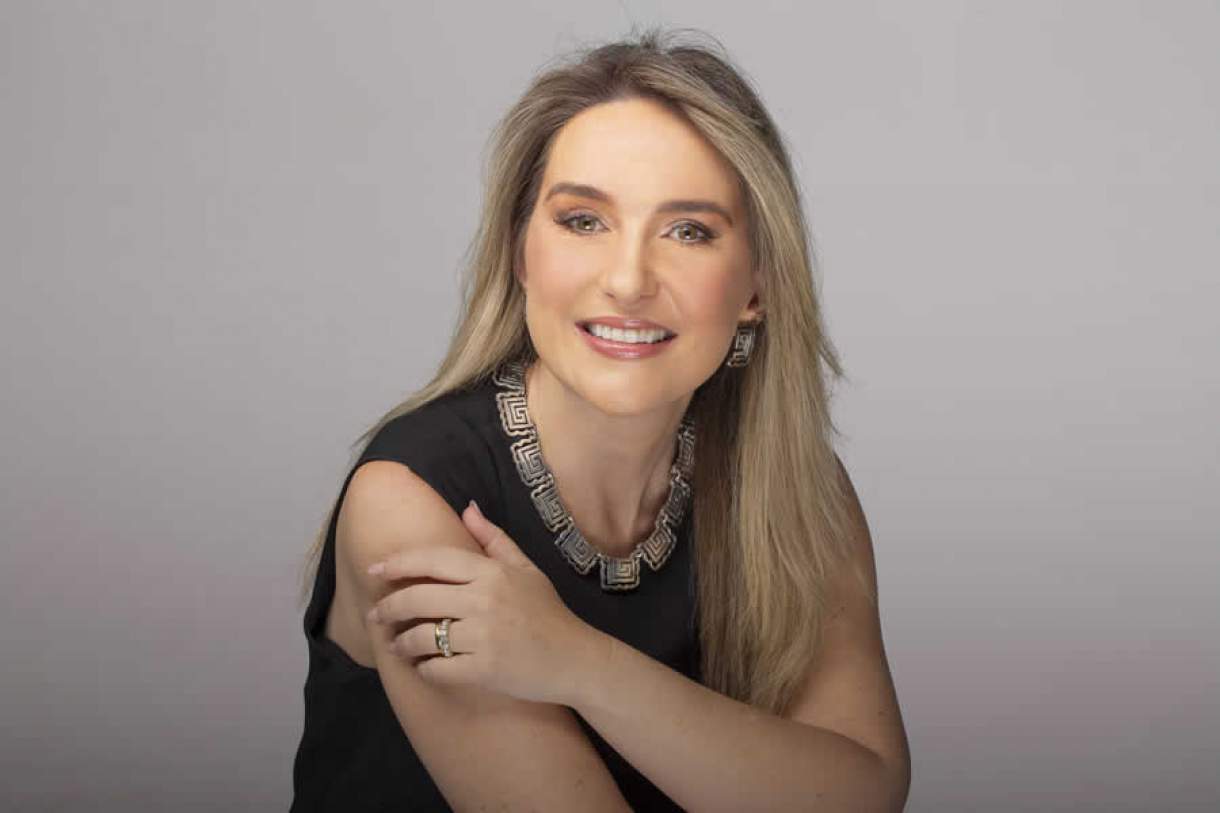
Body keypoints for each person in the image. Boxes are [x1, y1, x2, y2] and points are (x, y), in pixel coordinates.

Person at [291, 26, 910, 812]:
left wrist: (576, 661)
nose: (627, 280)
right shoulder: (409, 500)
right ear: (520, 251)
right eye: (584, 220)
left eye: (688, 230)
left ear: (757, 285)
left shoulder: (794, 487)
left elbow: (865, 792)